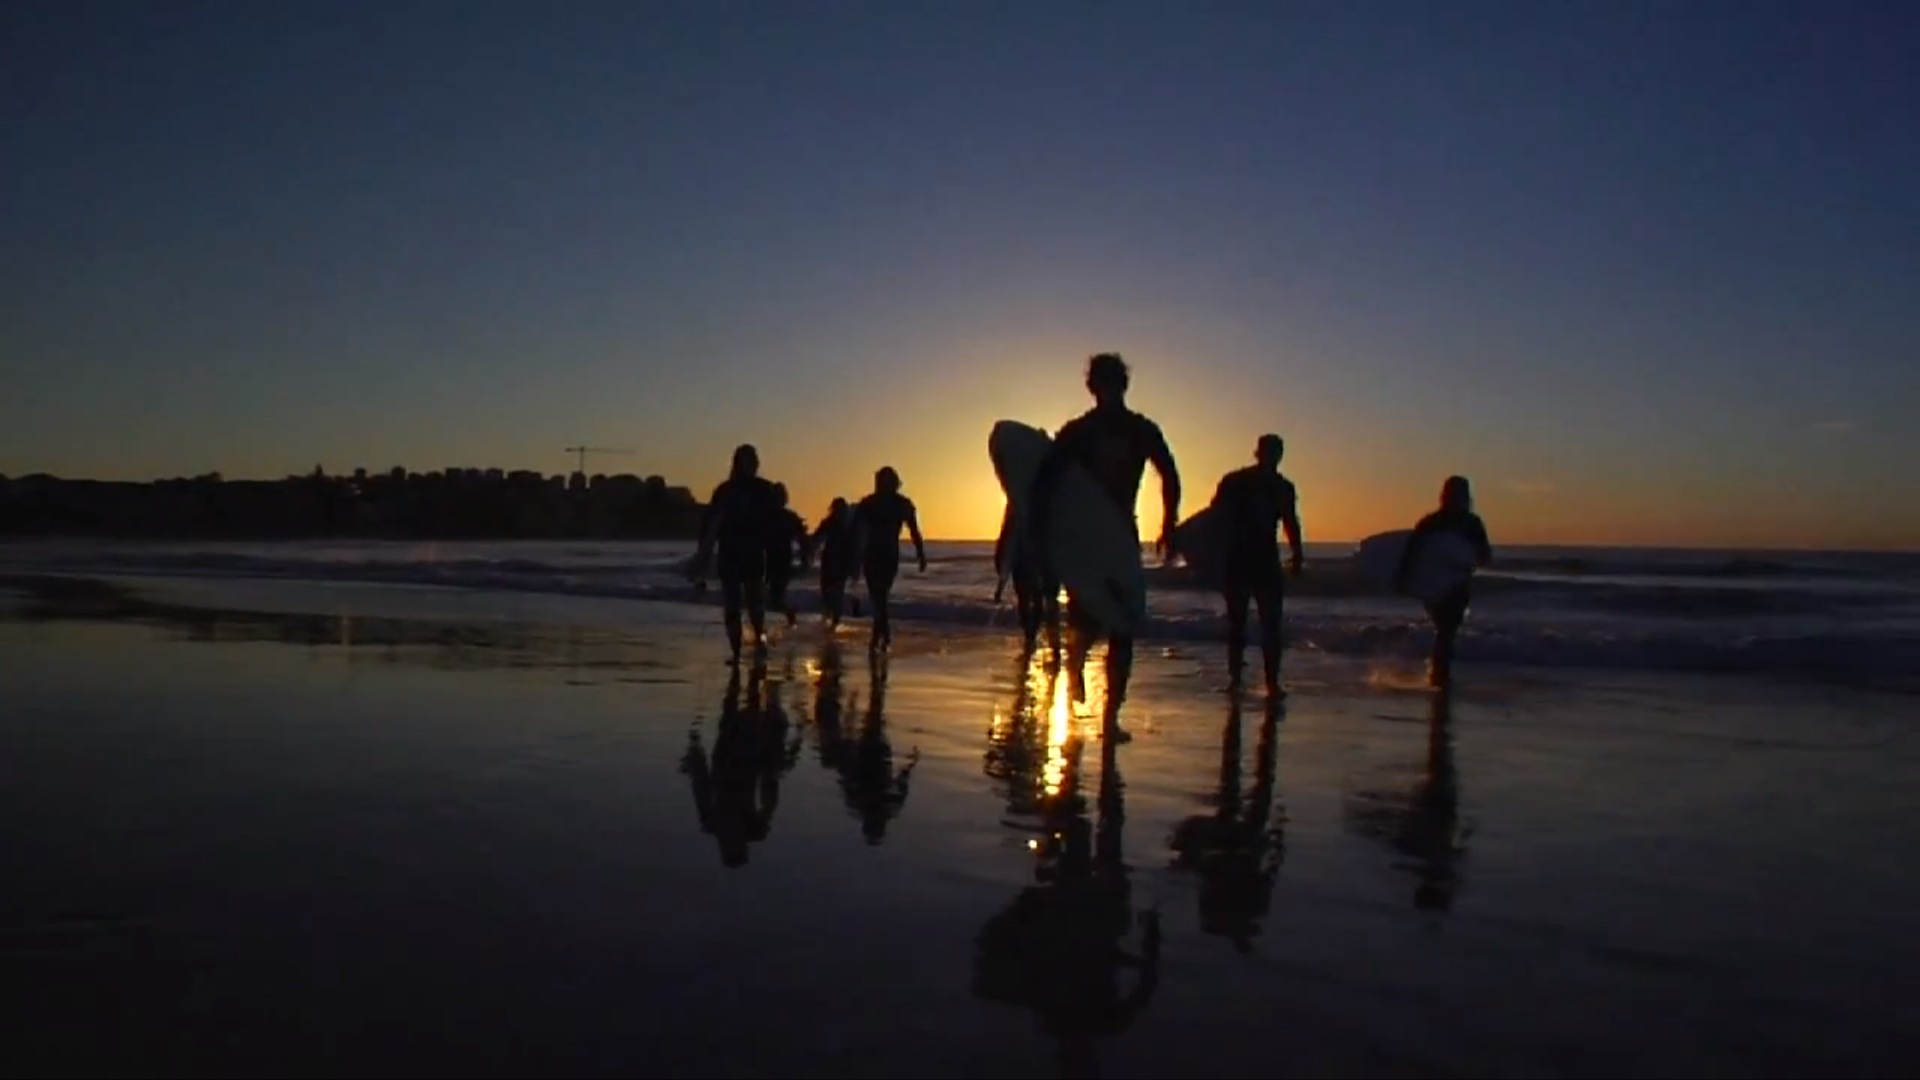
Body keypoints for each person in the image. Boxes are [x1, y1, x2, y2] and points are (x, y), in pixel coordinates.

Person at [1029, 352, 1180, 733]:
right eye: (1103, 384)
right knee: (1087, 619)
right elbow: (1045, 482)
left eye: (1112, 383)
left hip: (1120, 534)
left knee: (1124, 622)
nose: (1108, 390)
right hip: (1086, 538)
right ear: (1093, 387)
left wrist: (1169, 524)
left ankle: (1111, 717)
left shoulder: (1139, 429)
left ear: (1119, 386)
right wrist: (1045, 534)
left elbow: (1169, 474)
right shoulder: (1079, 431)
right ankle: (1076, 669)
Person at [1208, 434, 1304, 696]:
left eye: (1276, 452)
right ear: (1258, 452)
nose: (1272, 456)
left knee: (1268, 623)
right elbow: (1215, 518)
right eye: (1269, 451)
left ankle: (1267, 682)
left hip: (1261, 559)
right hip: (1240, 557)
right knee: (1241, 622)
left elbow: (1290, 522)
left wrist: (1297, 554)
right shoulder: (1237, 482)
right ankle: (1238, 681)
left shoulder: (1282, 487)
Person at [1392, 475, 1492, 688]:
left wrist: (1404, 578)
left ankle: (1439, 672)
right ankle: (1440, 674)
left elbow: (1411, 554)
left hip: (1447, 583)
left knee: (1445, 630)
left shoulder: (1433, 522)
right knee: (1447, 630)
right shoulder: (1468, 523)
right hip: (1451, 584)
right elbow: (1484, 556)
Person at [694, 443, 778, 663]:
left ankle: (758, 643)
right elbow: (711, 525)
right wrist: (703, 556)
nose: (752, 465)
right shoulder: (726, 491)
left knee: (754, 604)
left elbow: (775, 524)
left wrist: (778, 553)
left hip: (752, 553)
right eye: (749, 461)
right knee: (734, 606)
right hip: (732, 554)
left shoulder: (762, 489)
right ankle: (737, 651)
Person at [852, 466, 927, 653]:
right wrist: (920, 553)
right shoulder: (873, 503)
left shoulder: (890, 503)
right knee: (879, 597)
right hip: (879, 553)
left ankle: (880, 637)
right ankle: (881, 636)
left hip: (882, 553)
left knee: (880, 596)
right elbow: (856, 531)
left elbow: (914, 530)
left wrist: (921, 553)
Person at [994, 498, 1058, 654]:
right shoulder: (1018, 511)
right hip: (1025, 563)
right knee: (1031, 600)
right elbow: (1010, 543)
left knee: (1035, 600)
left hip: (1033, 562)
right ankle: (1032, 635)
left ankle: (1033, 635)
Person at [811, 496, 861, 627]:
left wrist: (855, 566)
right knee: (830, 592)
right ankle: (831, 619)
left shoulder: (848, 526)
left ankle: (833, 619)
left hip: (839, 562)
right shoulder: (835, 523)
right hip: (832, 561)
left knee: (834, 592)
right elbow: (817, 538)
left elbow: (816, 539)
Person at [764, 482, 807, 627]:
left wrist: (804, 559)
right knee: (771, 596)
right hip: (768, 559)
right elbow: (802, 539)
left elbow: (802, 539)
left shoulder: (784, 517)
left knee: (774, 597)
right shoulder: (768, 516)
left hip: (779, 560)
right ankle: (787, 613)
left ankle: (789, 612)